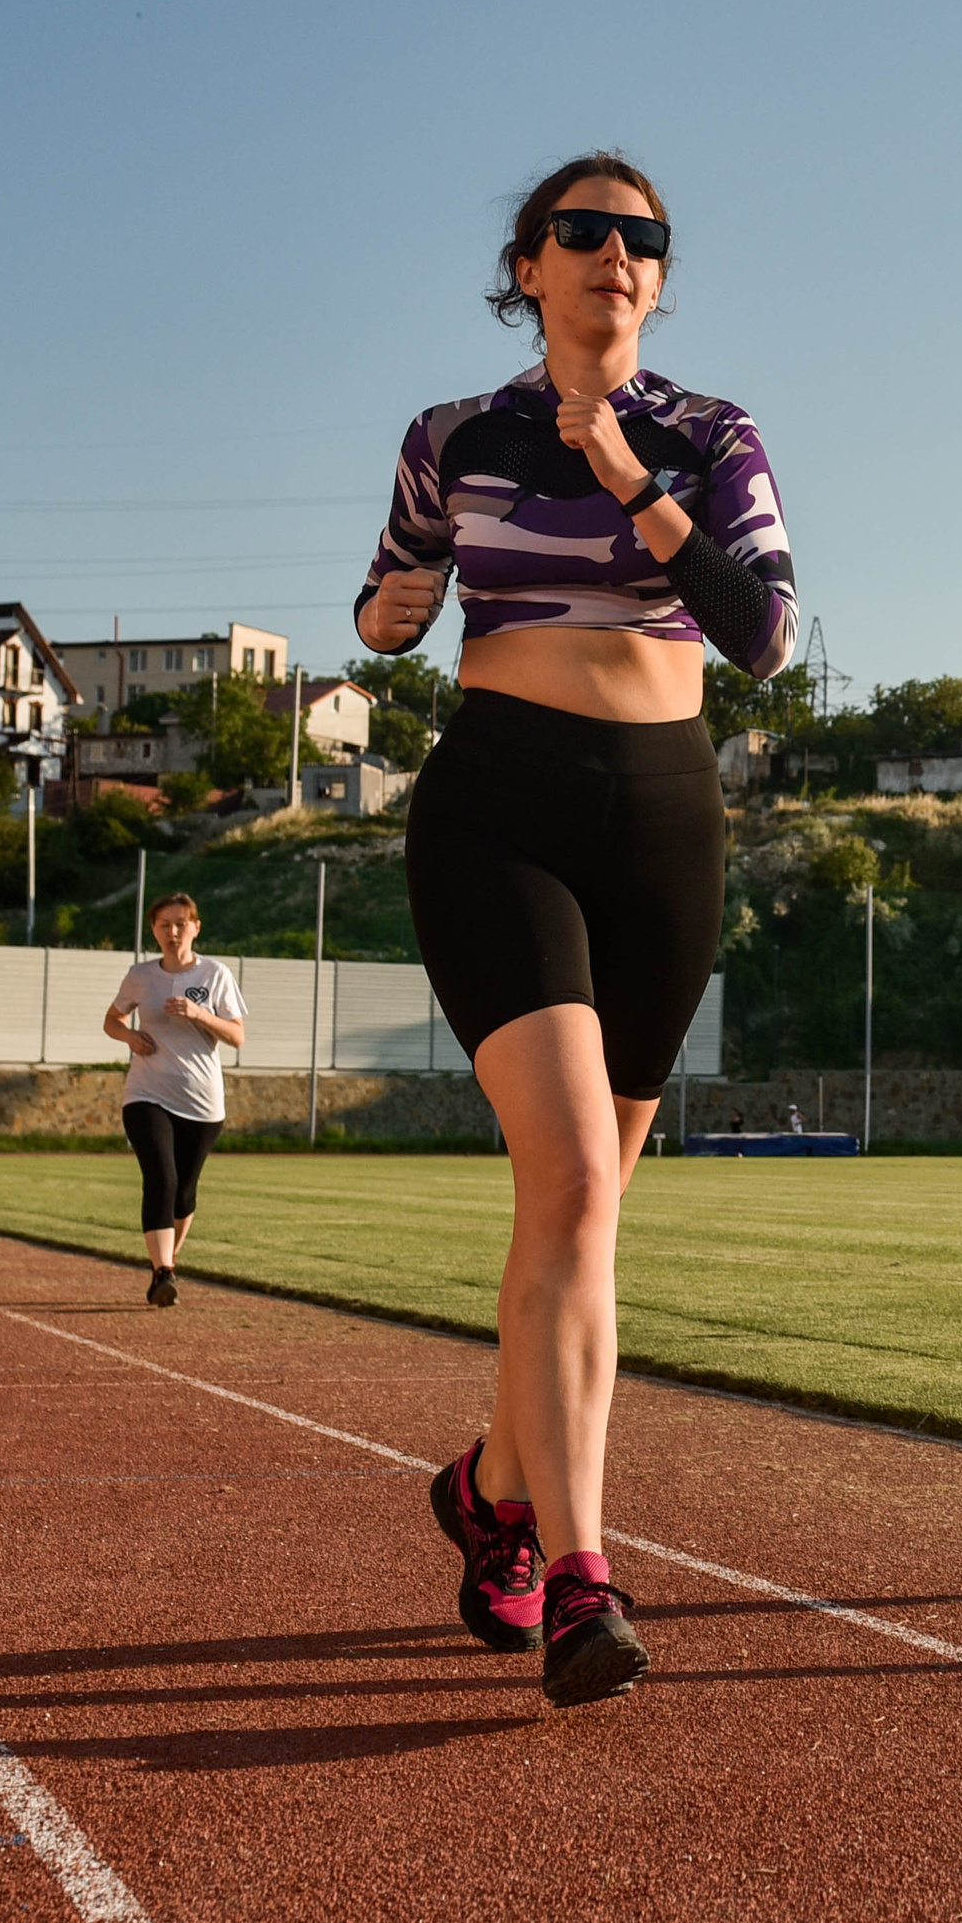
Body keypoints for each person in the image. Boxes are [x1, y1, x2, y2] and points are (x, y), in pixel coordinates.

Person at [359, 150, 798, 1708]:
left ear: (659, 279)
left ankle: (492, 1486)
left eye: (642, 239)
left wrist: (632, 481)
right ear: (528, 265)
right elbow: (387, 596)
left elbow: (765, 632)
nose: (613, 254)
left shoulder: (708, 433)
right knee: (570, 1178)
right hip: (499, 809)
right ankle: (583, 1571)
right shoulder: (450, 435)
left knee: (585, 1212)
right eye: (582, 232)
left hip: (665, 819)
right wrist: (387, 616)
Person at [103, 892, 246, 1306]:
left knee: (183, 1192)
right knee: (161, 1178)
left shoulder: (215, 974)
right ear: (154, 930)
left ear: (196, 928)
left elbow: (237, 1036)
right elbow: (112, 1020)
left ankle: (166, 1263)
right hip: (147, 1092)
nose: (173, 931)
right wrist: (129, 1036)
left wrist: (199, 1014)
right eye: (164, 924)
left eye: (181, 923)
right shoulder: (140, 975)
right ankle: (163, 1271)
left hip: (202, 1101)